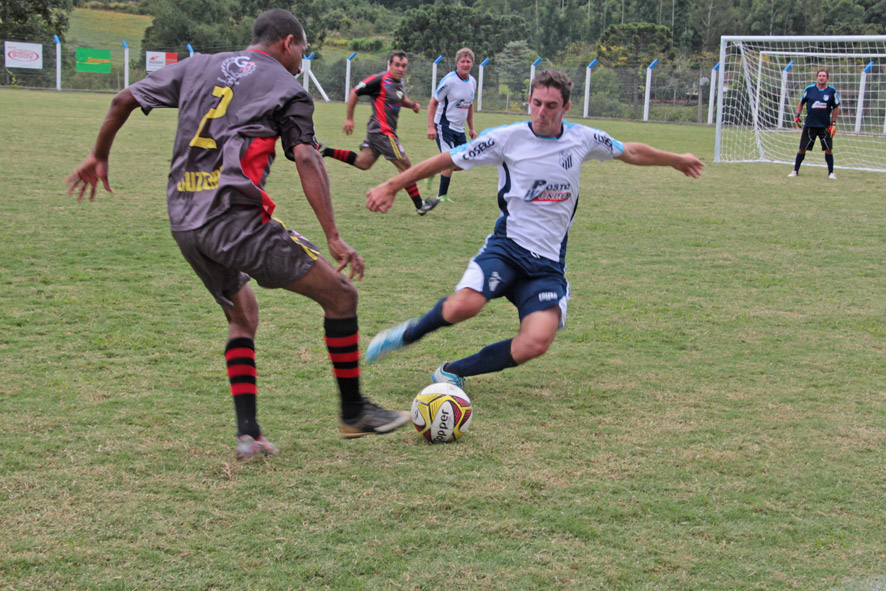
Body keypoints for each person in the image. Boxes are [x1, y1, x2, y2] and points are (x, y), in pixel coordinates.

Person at [65, 9, 410, 460]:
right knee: (342, 296)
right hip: (233, 220)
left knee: (242, 315)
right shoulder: (289, 89)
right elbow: (306, 157)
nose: (301, 60)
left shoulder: (199, 65)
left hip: (184, 219)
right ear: (288, 43)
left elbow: (122, 99)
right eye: (302, 50)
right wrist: (333, 235)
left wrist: (98, 156)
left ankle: (249, 436)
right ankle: (353, 411)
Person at [362, 69, 704, 389]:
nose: (542, 112)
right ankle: (408, 334)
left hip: (547, 266)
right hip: (507, 250)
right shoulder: (506, 139)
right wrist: (393, 185)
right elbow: (447, 160)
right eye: (536, 103)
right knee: (463, 306)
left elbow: (629, 151)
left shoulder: (582, 139)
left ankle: (453, 372)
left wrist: (675, 158)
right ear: (529, 101)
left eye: (551, 106)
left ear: (565, 107)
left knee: (536, 342)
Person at [319, 51, 439, 215]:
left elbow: (400, 98)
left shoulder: (399, 82)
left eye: (403, 66)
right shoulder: (379, 79)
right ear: (389, 64)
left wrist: (412, 105)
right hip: (383, 132)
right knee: (406, 166)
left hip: (379, 132)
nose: (400, 68)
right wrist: (349, 119)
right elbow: (355, 92)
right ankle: (420, 205)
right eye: (397, 65)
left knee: (363, 162)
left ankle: (325, 151)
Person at [426, 47, 478, 202]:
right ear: (457, 63)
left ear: (472, 63)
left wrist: (472, 128)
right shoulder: (449, 81)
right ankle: (442, 196)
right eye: (462, 61)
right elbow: (432, 104)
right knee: (450, 161)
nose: (465, 64)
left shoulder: (473, 82)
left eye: (468, 61)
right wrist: (430, 127)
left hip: (459, 129)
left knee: (463, 163)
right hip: (444, 126)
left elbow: (469, 105)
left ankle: (435, 169)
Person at [789, 69, 840, 179]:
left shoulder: (832, 91)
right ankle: (795, 171)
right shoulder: (809, 89)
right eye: (820, 76)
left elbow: (836, 107)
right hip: (810, 125)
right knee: (802, 148)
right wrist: (797, 116)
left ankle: (831, 173)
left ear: (827, 78)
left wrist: (834, 123)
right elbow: (801, 103)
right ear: (817, 78)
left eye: (824, 76)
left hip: (825, 126)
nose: (821, 77)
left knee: (828, 149)